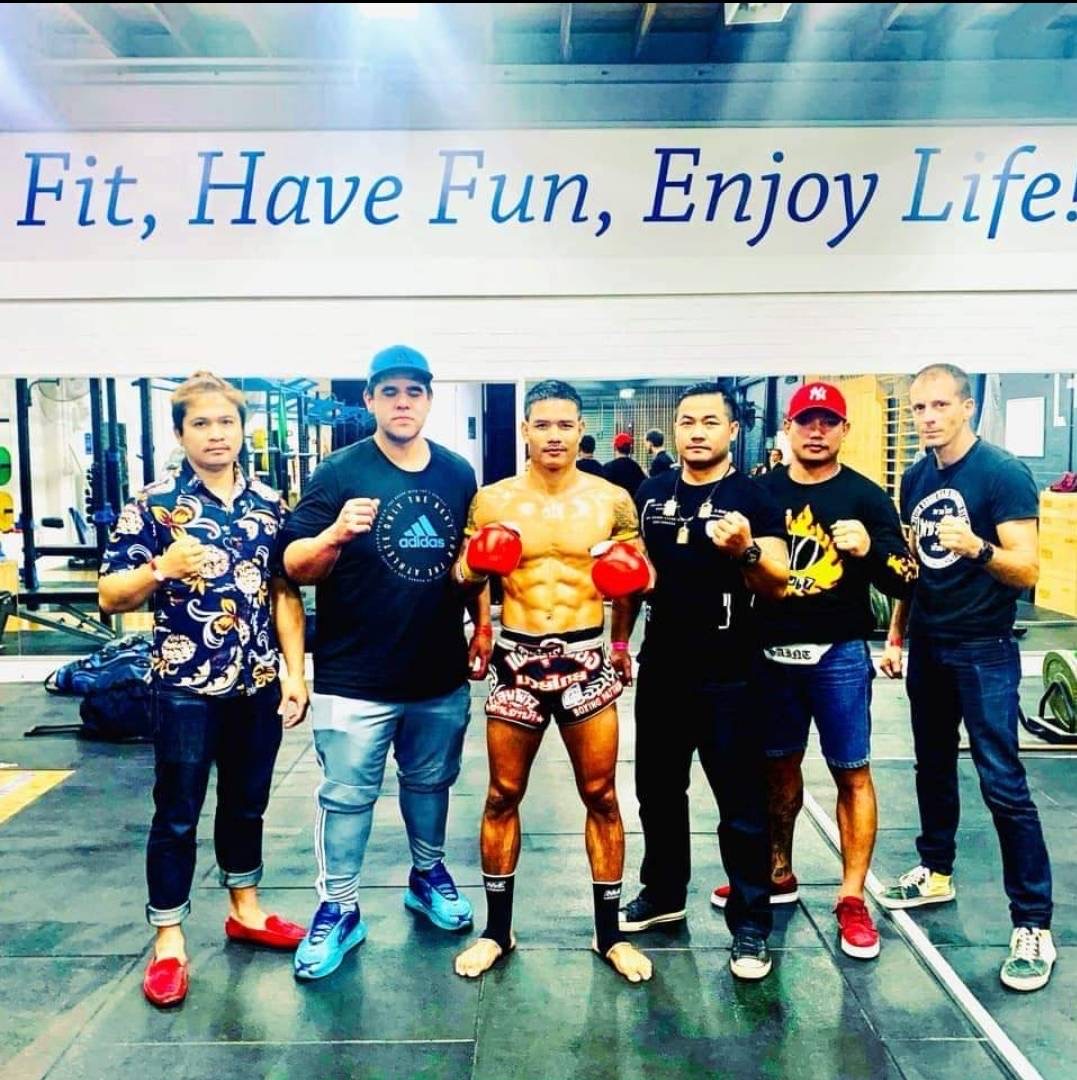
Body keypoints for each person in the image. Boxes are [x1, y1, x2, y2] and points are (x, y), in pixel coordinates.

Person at [98, 371, 310, 1009]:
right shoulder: (154, 504)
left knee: (247, 804)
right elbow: (110, 596)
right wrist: (161, 567)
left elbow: (283, 593)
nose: (216, 434)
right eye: (201, 424)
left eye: (226, 422)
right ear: (181, 433)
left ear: (243, 428)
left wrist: (296, 673)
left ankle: (245, 908)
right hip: (187, 685)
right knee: (178, 812)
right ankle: (168, 940)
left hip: (258, 681)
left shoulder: (270, 502)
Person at [281, 345, 492, 981]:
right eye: (390, 392)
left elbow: (471, 560)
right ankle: (339, 908)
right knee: (346, 797)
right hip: (356, 675)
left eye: (415, 392)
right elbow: (293, 567)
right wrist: (334, 534)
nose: (403, 403)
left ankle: (427, 875)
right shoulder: (339, 472)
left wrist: (483, 626)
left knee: (431, 784)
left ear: (428, 400)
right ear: (370, 400)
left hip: (437, 671)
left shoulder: (457, 474)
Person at [453, 379, 654, 984]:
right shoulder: (492, 500)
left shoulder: (612, 498)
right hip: (516, 659)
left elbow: (640, 578)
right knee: (500, 795)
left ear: (579, 428)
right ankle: (497, 930)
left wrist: (620, 642)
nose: (555, 436)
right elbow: (463, 575)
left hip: (586, 658)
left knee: (603, 797)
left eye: (565, 425)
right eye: (543, 425)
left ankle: (609, 935)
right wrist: (478, 605)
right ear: (525, 430)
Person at [710, 381, 917, 961]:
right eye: (806, 421)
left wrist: (868, 553)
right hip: (771, 653)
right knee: (776, 769)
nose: (817, 431)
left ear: (844, 430)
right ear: (789, 430)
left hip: (840, 654)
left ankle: (852, 897)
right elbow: (735, 567)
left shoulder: (868, 496)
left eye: (828, 422)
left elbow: (907, 579)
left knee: (852, 770)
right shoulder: (761, 491)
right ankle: (778, 870)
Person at [880, 363, 1056, 992]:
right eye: (918, 408)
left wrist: (977, 547)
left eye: (937, 406)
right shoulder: (917, 476)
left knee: (1002, 782)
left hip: (984, 647)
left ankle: (1033, 922)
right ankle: (935, 870)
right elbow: (911, 566)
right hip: (929, 642)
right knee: (929, 764)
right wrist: (898, 632)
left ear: (966, 409)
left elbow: (1026, 568)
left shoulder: (1002, 474)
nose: (926, 417)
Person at [614, 382, 790, 981]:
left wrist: (744, 550)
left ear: (732, 430)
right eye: (687, 420)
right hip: (662, 666)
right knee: (658, 793)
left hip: (732, 671)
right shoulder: (652, 492)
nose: (696, 431)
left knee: (740, 805)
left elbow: (777, 582)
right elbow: (636, 577)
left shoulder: (755, 498)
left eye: (709, 421)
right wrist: (619, 639)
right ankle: (663, 893)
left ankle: (749, 923)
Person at [603, 432, 647, 498]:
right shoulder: (636, 467)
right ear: (630, 449)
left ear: (615, 447)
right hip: (631, 506)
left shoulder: (608, 467)